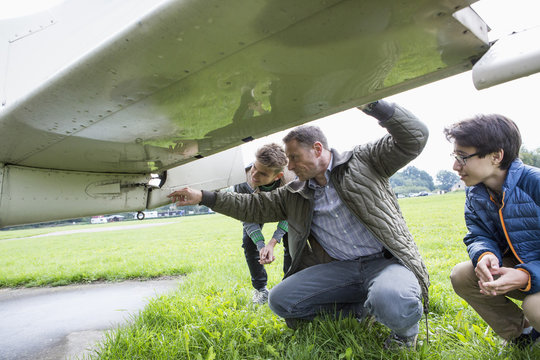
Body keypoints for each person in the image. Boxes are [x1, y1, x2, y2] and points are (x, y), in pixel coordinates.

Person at [169, 100, 430, 349]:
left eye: (294, 158)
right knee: (281, 300)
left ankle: (404, 335)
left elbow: (414, 137)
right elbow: (251, 206)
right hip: (341, 269)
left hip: (385, 262)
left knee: (392, 299)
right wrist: (204, 197)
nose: (290, 166)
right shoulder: (294, 192)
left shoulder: (364, 160)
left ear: (317, 149)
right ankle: (359, 310)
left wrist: (374, 106)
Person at [445, 115, 540, 348]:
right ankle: (524, 335)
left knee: (534, 306)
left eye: (462, 157)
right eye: (455, 157)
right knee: (463, 275)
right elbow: (479, 234)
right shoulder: (476, 193)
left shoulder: (535, 183)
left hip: (531, 274)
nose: (455, 166)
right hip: (524, 271)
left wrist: (527, 275)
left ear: (497, 156)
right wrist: (485, 255)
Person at [233, 143, 294, 304]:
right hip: (256, 210)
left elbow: (291, 216)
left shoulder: (291, 182)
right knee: (248, 242)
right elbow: (246, 217)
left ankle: (288, 286)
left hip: (283, 210)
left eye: (262, 174)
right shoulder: (242, 181)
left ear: (278, 176)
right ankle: (260, 289)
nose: (254, 176)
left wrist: (273, 242)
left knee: (292, 240)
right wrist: (261, 245)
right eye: (254, 168)